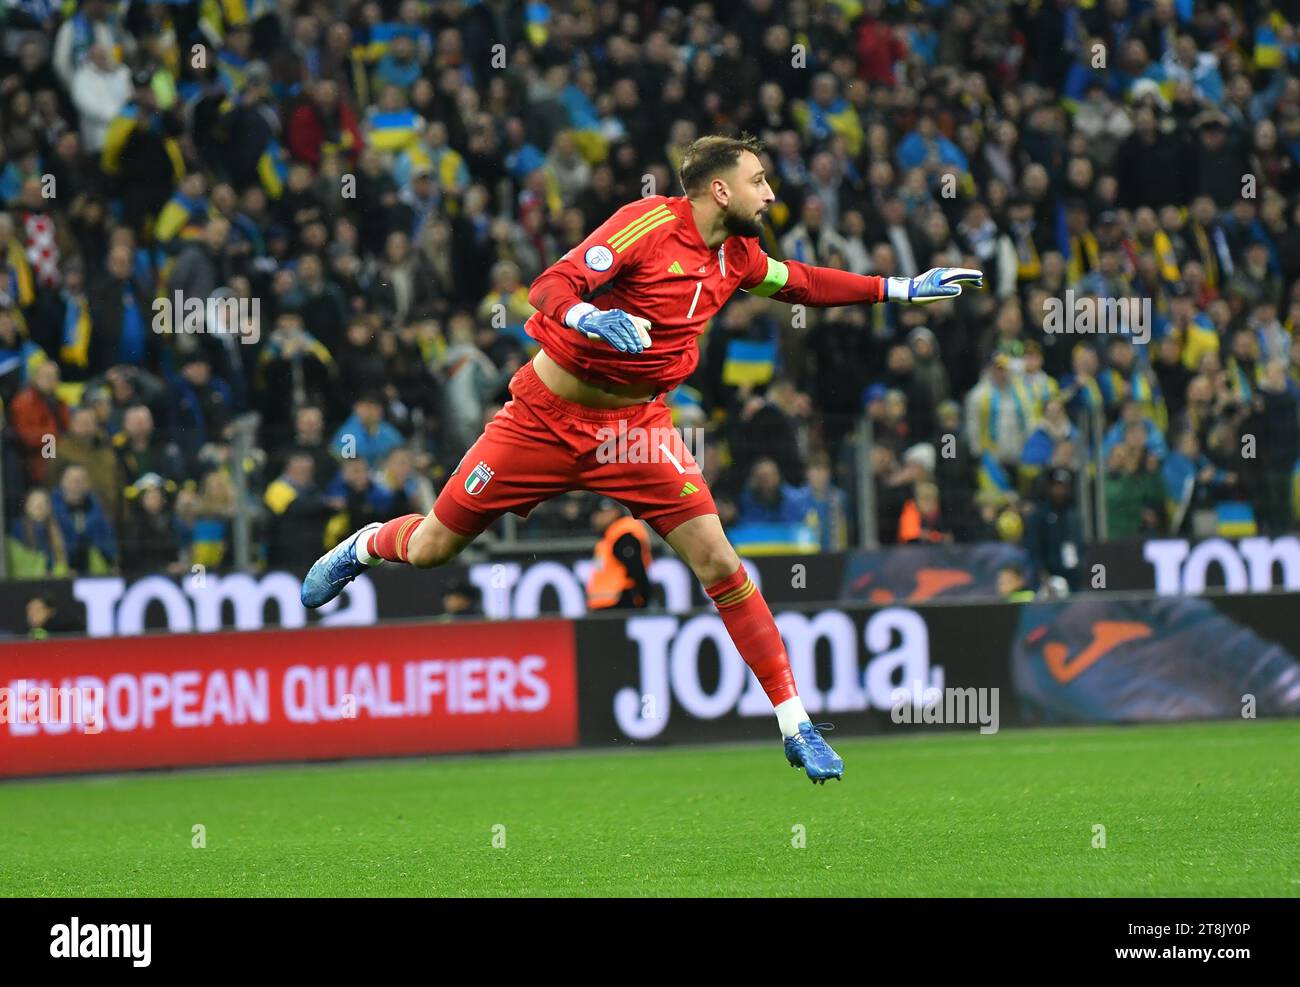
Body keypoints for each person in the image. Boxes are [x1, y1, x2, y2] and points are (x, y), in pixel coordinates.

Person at [301, 134, 983, 784]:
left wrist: (898, 289)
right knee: (429, 548)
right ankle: (365, 546)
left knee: (720, 561)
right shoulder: (647, 224)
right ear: (720, 189)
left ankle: (794, 720)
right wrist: (586, 318)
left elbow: (802, 282)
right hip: (542, 419)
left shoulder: (739, 256)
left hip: (633, 430)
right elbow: (548, 287)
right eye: (759, 182)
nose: (770, 195)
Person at [586, 499, 654, 610]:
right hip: (606, 604)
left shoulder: (623, 534)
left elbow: (636, 568)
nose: (597, 518)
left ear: (615, 512)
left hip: (620, 602)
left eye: (601, 513)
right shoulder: (610, 535)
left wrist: (644, 598)